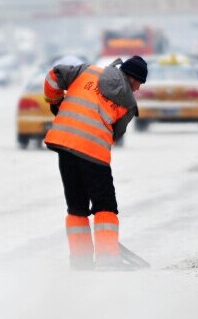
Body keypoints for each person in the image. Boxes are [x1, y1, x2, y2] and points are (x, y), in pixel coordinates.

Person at [43, 55, 145, 270]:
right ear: (133, 78)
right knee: (105, 205)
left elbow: (53, 77)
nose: (137, 90)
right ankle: (108, 259)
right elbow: (115, 135)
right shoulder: (127, 102)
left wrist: (55, 103)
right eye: (139, 84)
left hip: (64, 142)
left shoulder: (86, 71)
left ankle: (80, 261)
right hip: (94, 152)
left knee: (77, 206)